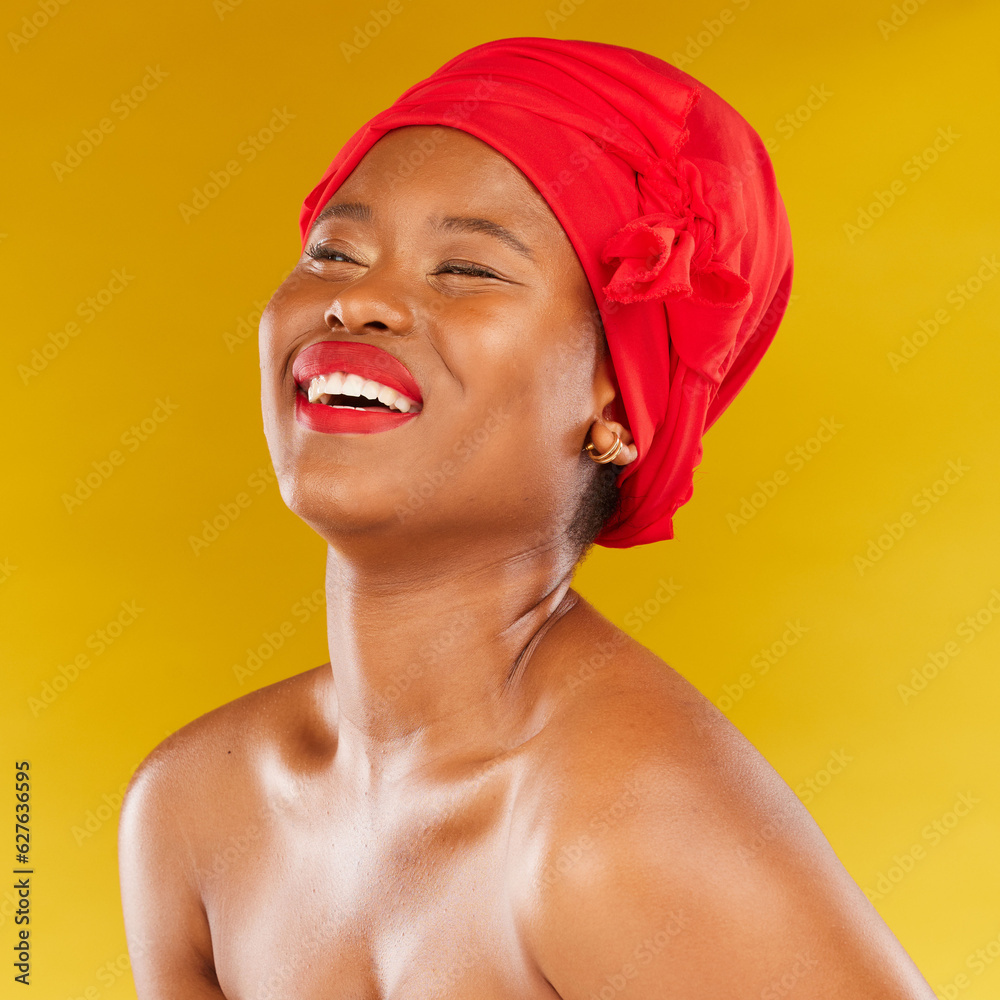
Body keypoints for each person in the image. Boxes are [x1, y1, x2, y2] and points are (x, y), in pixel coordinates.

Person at [118, 37, 937, 999]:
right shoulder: (192, 810)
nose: (361, 299)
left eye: (466, 268)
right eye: (333, 250)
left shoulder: (619, 829)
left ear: (617, 400)